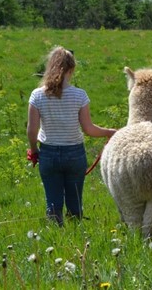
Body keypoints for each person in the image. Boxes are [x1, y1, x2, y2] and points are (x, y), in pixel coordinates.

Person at [27, 47, 117, 226]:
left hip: (48, 154)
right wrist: (110, 132)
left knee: (53, 203)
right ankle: (77, 235)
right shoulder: (79, 95)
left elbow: (32, 130)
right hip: (75, 155)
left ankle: (56, 238)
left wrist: (34, 150)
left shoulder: (37, 96)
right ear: (71, 69)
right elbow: (89, 129)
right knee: (75, 202)